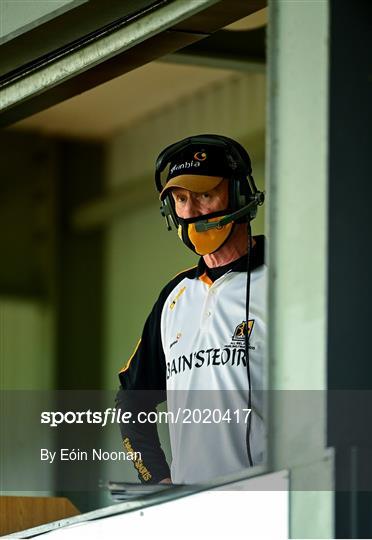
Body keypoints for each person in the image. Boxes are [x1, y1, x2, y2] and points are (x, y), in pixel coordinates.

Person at [115, 134, 266, 485]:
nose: (193, 211)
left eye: (205, 195)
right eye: (182, 199)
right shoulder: (173, 298)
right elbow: (130, 403)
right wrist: (155, 480)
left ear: (240, 194)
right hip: (190, 516)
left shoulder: (285, 283)